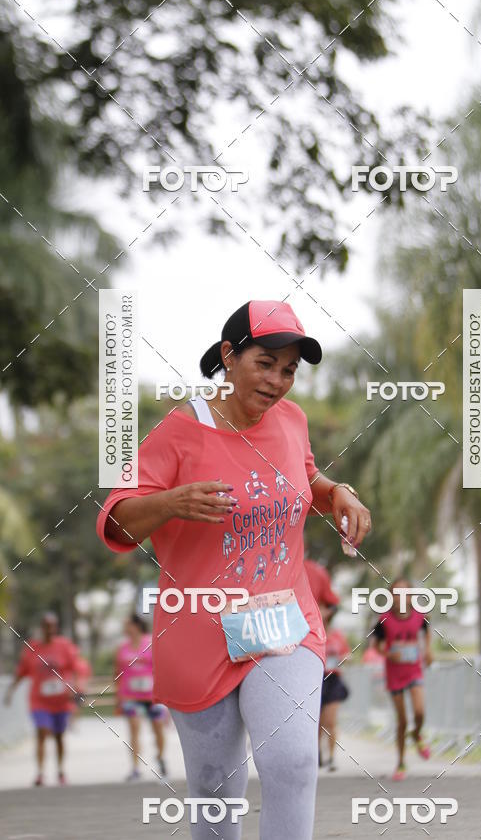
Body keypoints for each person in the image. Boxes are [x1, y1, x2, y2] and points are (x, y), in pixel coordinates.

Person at [96, 299, 372, 840]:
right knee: (215, 788)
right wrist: (172, 502)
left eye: (289, 369)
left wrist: (338, 493)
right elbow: (118, 521)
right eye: (264, 363)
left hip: (281, 621)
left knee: (292, 762)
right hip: (198, 628)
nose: (277, 381)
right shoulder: (178, 431)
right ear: (229, 355)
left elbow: (304, 478)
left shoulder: (291, 421)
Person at [3, 612, 79, 786]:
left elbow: (76, 669)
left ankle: (60, 771)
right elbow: (21, 672)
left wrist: (76, 688)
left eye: (53, 626)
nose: (49, 630)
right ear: (42, 627)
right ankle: (40, 773)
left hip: (61, 701)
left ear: (56, 628)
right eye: (46, 626)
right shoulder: (32, 648)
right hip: (39, 701)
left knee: (59, 736)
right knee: (42, 732)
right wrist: (10, 691)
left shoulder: (64, 646)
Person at [373, 577, 432, 781]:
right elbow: (376, 646)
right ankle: (400, 763)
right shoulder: (384, 620)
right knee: (402, 721)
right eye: (396, 593)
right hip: (394, 674)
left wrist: (428, 651)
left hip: (414, 670)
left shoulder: (419, 616)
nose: (401, 597)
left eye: (404, 593)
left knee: (419, 711)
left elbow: (426, 631)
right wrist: (389, 654)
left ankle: (417, 734)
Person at [114, 613, 168, 780]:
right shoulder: (123, 647)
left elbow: (162, 668)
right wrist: (118, 697)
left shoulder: (151, 643)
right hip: (131, 697)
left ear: (136, 626)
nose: (125, 628)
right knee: (134, 728)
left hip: (152, 696)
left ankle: (160, 757)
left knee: (158, 728)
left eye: (127, 624)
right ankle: (135, 768)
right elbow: (118, 673)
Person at [318, 602, 350, 771]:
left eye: (328, 608)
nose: (326, 611)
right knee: (317, 722)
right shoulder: (312, 632)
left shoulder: (337, 635)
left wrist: (345, 658)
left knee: (331, 721)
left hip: (334, 678)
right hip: (316, 679)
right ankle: (317, 755)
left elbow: (347, 653)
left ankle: (331, 757)